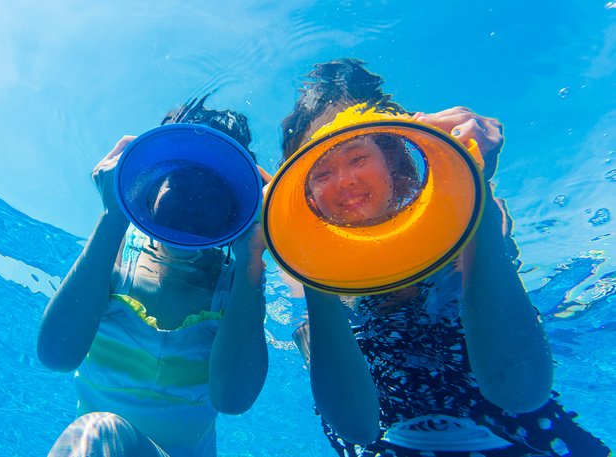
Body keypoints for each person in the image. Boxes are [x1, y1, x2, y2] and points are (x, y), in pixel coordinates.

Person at [284, 58, 611, 457]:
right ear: (301, 190)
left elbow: (521, 390)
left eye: (356, 156)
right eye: (320, 170)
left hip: (515, 432)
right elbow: (356, 427)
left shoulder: (466, 215)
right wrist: (300, 249)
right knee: (309, 336)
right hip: (380, 436)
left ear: (393, 159)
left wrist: (473, 179)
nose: (345, 180)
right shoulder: (298, 268)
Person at [37, 95, 269, 457]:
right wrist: (114, 215)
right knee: (99, 432)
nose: (193, 210)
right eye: (180, 190)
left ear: (237, 209)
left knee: (98, 432)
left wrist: (252, 254)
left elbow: (234, 399)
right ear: (148, 185)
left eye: (213, 199)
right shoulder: (114, 255)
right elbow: (56, 355)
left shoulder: (238, 282)